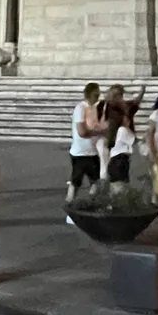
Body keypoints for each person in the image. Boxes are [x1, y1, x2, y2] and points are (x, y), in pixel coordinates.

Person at [66, 82, 104, 223]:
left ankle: (90, 205)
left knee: (96, 183)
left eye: (99, 94)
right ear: (89, 94)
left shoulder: (94, 109)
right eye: (96, 94)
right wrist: (100, 131)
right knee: (75, 183)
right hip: (80, 152)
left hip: (92, 152)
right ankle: (70, 212)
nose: (98, 96)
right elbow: (82, 132)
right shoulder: (80, 108)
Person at [106, 103, 137, 184]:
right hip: (120, 160)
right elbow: (135, 141)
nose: (129, 121)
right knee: (121, 186)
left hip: (115, 160)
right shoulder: (123, 130)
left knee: (116, 186)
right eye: (126, 119)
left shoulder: (117, 131)